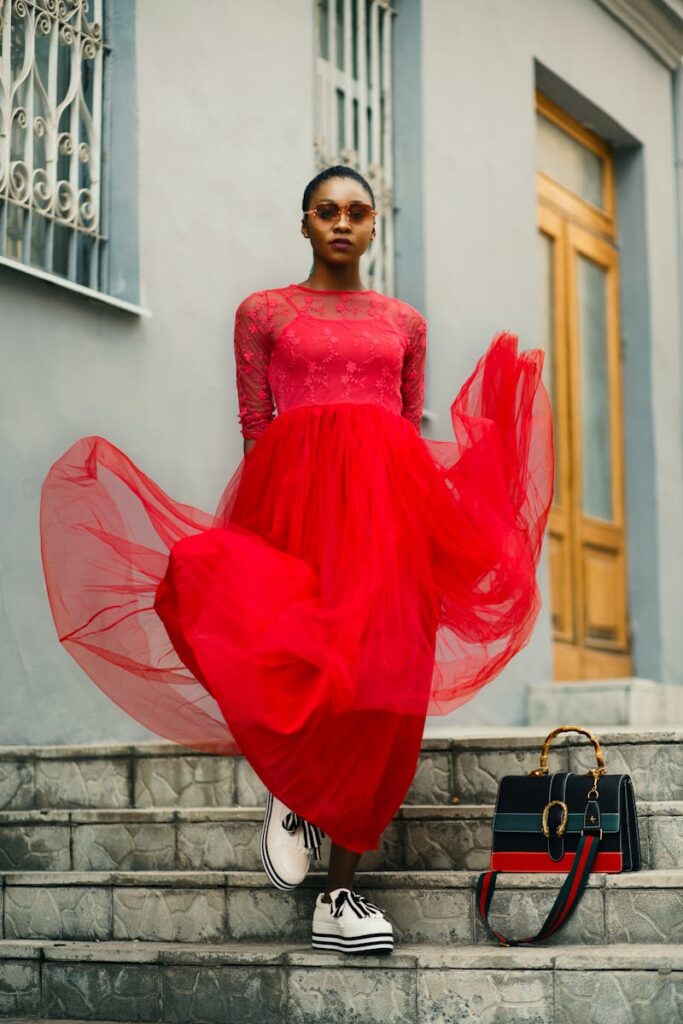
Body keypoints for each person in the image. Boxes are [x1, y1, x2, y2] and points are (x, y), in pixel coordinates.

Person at [39, 164, 554, 956]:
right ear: (304, 222)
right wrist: (267, 529)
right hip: (297, 506)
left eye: (356, 211)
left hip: (391, 518)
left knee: (384, 690)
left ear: (374, 225)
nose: (341, 222)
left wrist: (420, 526)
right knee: (277, 639)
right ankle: (292, 788)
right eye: (325, 211)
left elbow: (403, 429)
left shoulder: (405, 323)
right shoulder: (263, 312)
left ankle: (339, 895)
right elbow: (255, 428)